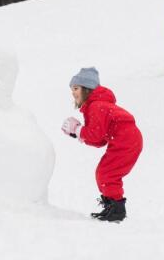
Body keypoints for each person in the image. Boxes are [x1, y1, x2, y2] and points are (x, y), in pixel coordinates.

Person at [61, 67, 143, 222]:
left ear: (87, 89)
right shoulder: (97, 105)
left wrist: (78, 129)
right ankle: (112, 206)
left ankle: (116, 210)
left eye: (76, 88)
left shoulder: (96, 106)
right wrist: (76, 133)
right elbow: (98, 141)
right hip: (127, 139)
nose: (73, 93)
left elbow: (94, 135)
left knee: (107, 173)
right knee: (104, 173)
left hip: (126, 139)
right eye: (72, 89)